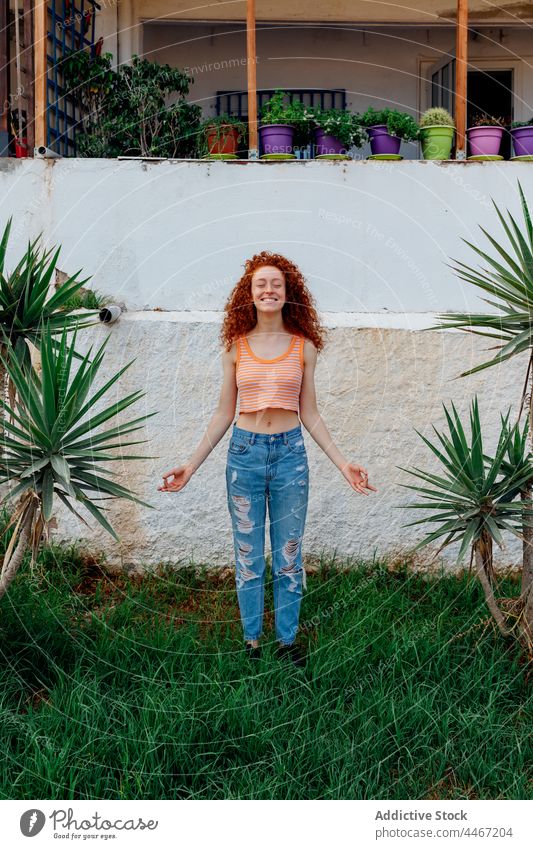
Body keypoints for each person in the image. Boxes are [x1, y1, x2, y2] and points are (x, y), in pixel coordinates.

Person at [158, 250, 377, 667]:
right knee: (249, 557)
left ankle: (288, 641)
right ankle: (252, 643)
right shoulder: (236, 347)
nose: (269, 289)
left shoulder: (304, 347)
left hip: (291, 455)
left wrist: (343, 463)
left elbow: (309, 412)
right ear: (250, 293)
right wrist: (191, 465)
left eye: (276, 283)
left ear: (288, 292)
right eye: (261, 284)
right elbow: (225, 411)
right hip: (244, 454)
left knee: (289, 554)